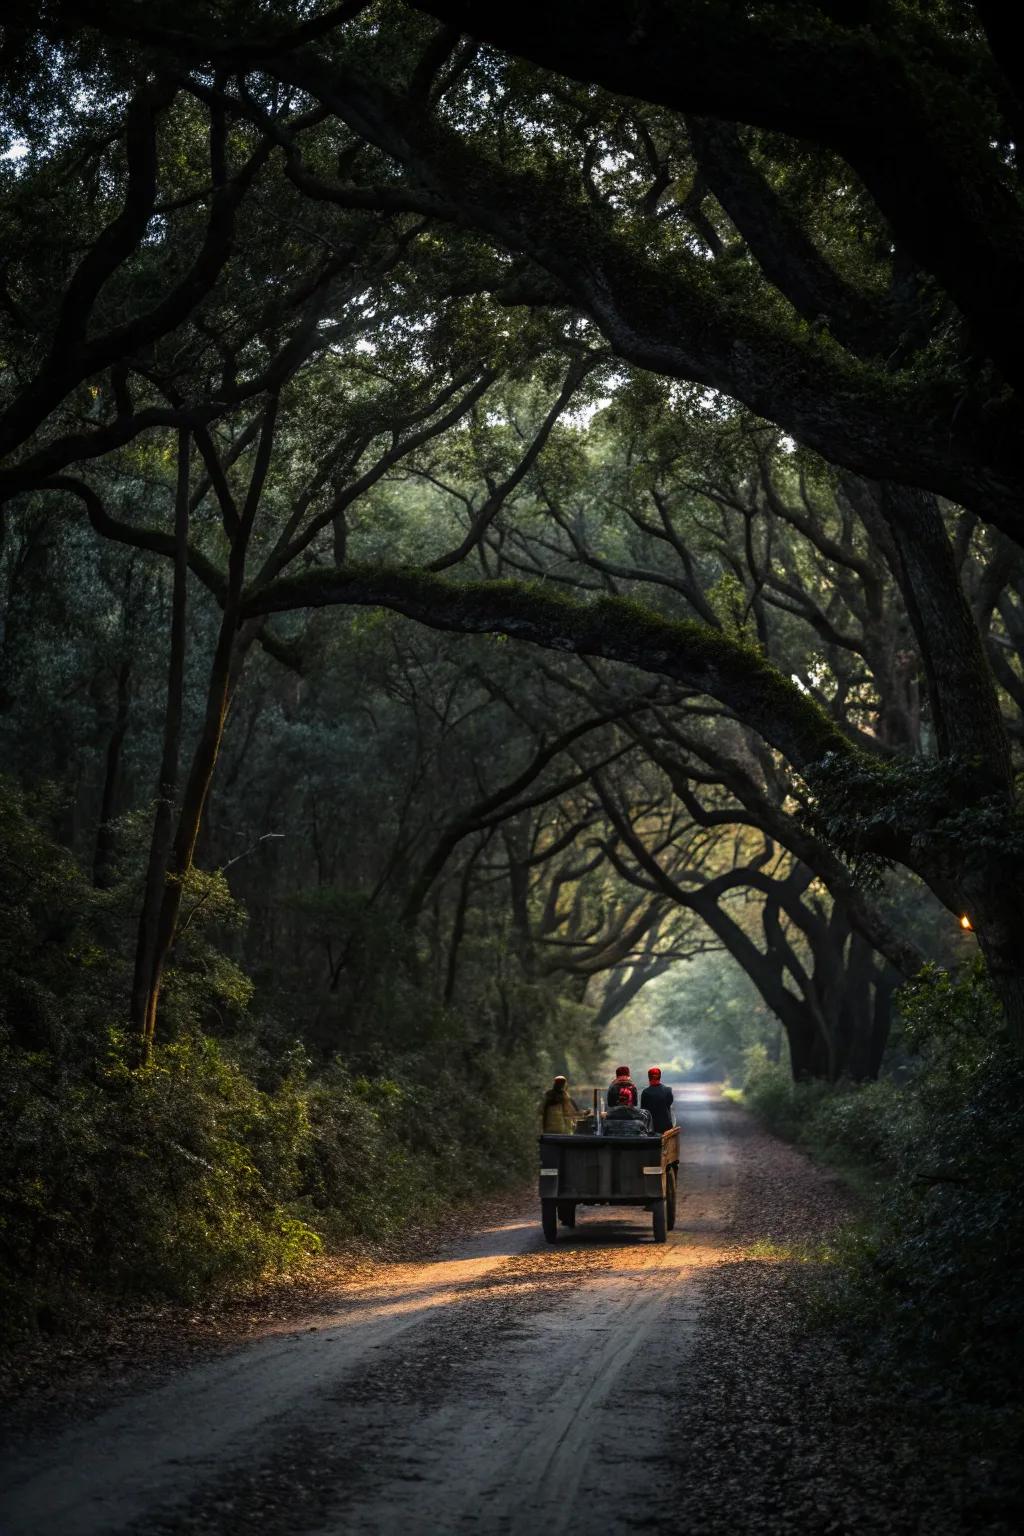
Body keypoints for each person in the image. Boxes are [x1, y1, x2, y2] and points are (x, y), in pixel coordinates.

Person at [641, 1066, 675, 1133]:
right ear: (660, 1077)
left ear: (649, 1078)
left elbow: (643, 1110)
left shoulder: (645, 1092)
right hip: (666, 1126)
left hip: (651, 1127)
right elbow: (669, 1104)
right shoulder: (668, 1090)